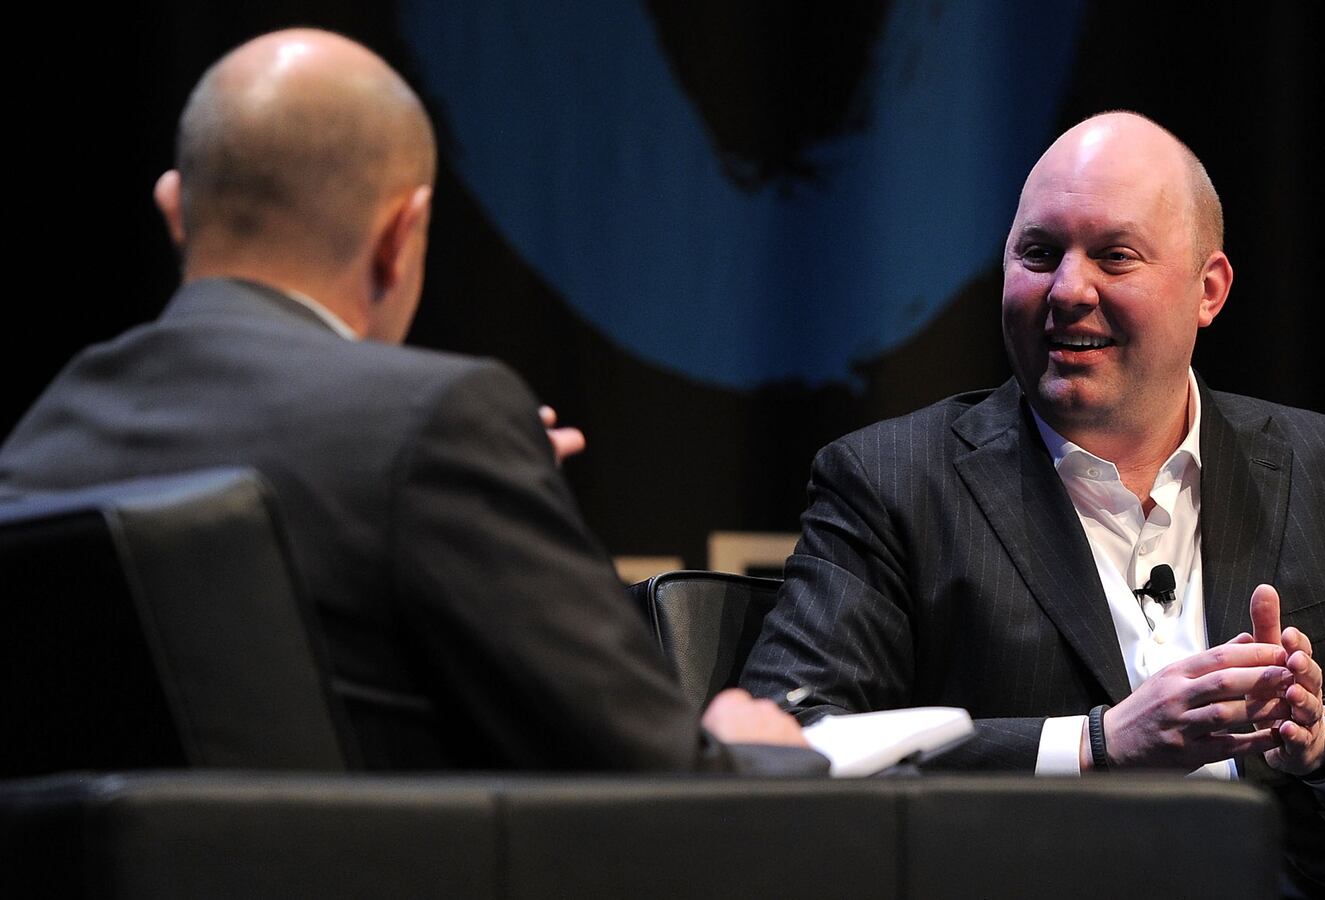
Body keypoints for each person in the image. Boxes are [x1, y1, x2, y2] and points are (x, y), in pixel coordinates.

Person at [741, 111, 1325, 894]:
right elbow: (784, 746)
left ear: (1209, 290)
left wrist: (1323, 737)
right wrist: (1098, 746)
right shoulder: (893, 480)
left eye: (1115, 256)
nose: (1068, 289)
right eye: (1038, 253)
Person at [0, 28, 808, 772]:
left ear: (176, 210)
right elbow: (653, 773)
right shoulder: (438, 423)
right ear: (401, 232)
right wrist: (751, 751)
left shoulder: (43, 435)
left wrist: (481, 494)